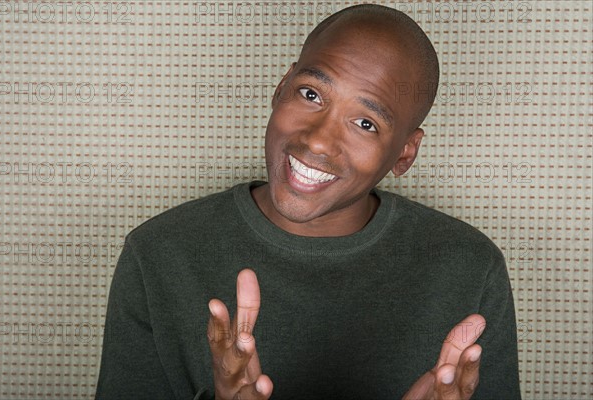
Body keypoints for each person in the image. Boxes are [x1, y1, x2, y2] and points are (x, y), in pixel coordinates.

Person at [95, 4, 521, 400]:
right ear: (282, 86)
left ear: (405, 154)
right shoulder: (158, 253)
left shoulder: (469, 267)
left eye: (365, 123)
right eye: (311, 94)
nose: (318, 138)